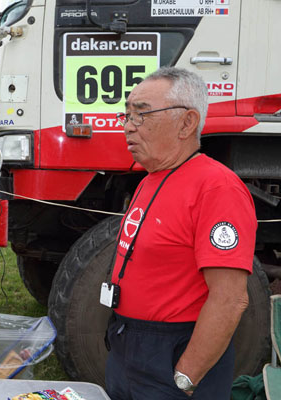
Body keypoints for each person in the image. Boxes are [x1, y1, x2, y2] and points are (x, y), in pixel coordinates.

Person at [103, 67, 257, 399]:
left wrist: (185, 377)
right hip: (128, 346)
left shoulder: (216, 187)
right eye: (126, 115)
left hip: (171, 353)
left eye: (141, 115)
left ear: (187, 123)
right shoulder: (149, 180)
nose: (128, 126)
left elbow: (230, 299)